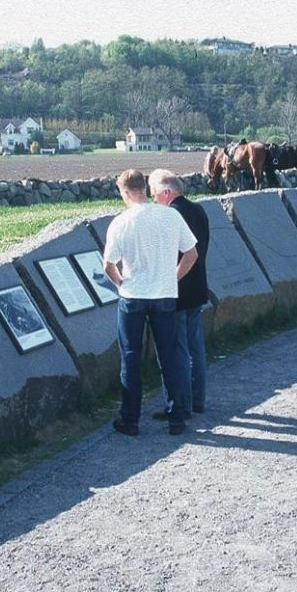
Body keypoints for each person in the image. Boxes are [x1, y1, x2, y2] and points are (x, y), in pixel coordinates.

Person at [104, 169, 198, 436]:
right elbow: (191, 253)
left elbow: (108, 265)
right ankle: (176, 416)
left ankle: (130, 419)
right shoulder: (170, 215)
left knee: (131, 358)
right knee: (169, 356)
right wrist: (174, 277)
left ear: (124, 192)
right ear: (145, 188)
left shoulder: (121, 222)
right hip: (165, 294)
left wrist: (121, 283)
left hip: (133, 296)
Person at [148, 169, 209, 421]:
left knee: (177, 351)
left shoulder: (169, 216)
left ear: (166, 192)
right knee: (196, 348)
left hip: (176, 290)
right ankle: (197, 400)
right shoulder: (199, 210)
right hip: (198, 287)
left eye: (154, 195)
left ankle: (180, 404)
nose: (153, 200)